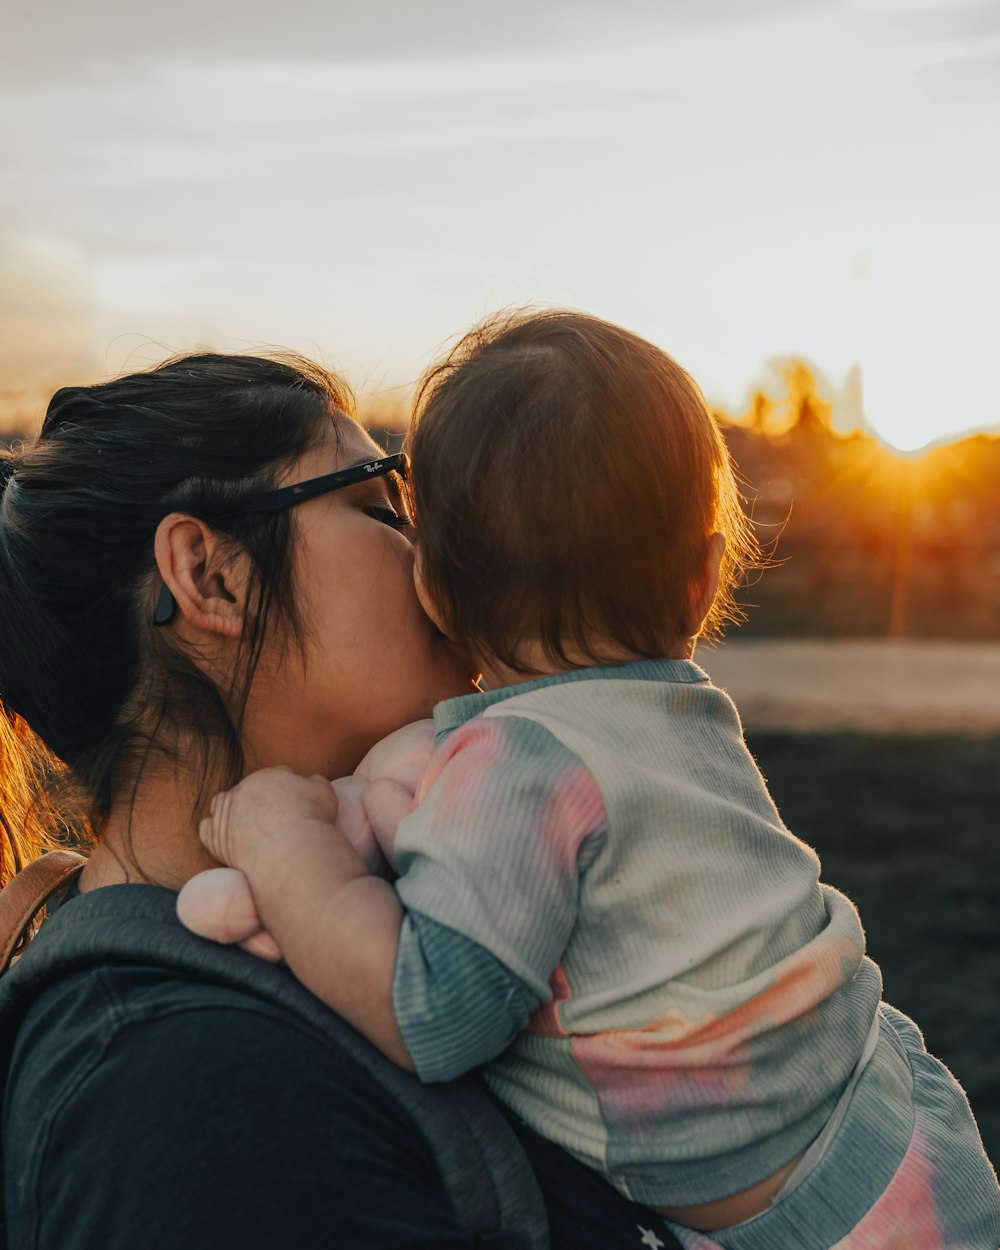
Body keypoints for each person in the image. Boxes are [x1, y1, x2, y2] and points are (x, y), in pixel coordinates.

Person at [178, 311, 1000, 1250]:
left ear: (434, 590)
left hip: (807, 1220)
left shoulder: (522, 766)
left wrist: (288, 845)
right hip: (898, 1122)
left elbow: (433, 1015)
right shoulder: (683, 712)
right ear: (703, 579)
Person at [0, 350, 690, 1249]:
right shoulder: (191, 1097)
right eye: (382, 506)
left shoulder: (428, 902)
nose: (446, 553)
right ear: (211, 577)